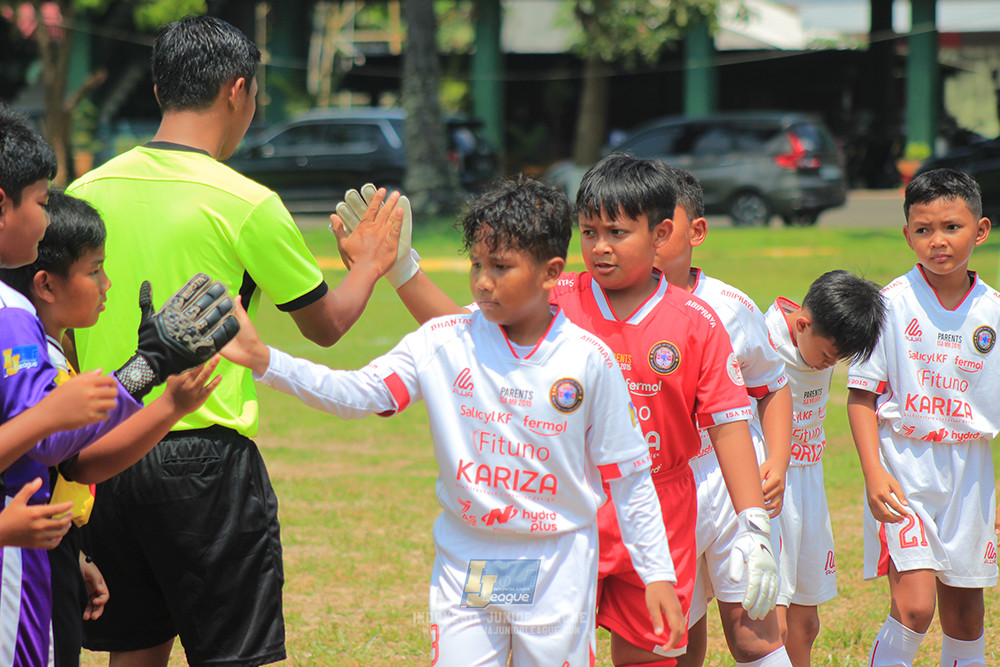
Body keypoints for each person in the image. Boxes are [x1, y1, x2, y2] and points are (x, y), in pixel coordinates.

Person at [333, 154, 781, 666]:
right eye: (588, 232)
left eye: (616, 232)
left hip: (657, 511)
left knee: (650, 657)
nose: (600, 247)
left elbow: (728, 424)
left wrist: (753, 526)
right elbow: (458, 333)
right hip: (551, 508)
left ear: (660, 235)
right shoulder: (554, 295)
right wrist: (404, 269)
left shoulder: (699, 322)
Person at [222, 176, 684, 666]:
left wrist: (656, 573)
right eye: (477, 265)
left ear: (550, 273)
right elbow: (357, 394)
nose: (483, 281)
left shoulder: (588, 359)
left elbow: (630, 478)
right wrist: (265, 360)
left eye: (501, 267)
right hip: (471, 558)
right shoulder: (442, 341)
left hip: (556, 563)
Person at [65, 15, 403, 667]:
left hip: (103, 453)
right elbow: (325, 324)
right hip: (205, 462)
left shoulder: (85, 191)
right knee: (236, 655)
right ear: (238, 90)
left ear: (162, 89)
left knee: (132, 653)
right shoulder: (244, 201)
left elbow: (69, 342)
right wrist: (368, 264)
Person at [0, 104, 234, 666]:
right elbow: (54, 445)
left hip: (38, 543)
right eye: (37, 200)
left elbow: (71, 467)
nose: (108, 284)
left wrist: (164, 395)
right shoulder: (11, 315)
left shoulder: (26, 322)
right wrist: (142, 369)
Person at [847, 168, 997, 667]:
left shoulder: (993, 312)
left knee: (966, 615)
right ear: (907, 233)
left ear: (980, 231)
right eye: (923, 229)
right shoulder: (889, 304)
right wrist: (874, 472)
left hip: (970, 472)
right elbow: (861, 396)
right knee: (914, 608)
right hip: (904, 467)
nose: (938, 241)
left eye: (952, 227)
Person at [653, 165, 793, 667]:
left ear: (697, 232)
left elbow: (772, 387)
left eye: (661, 222)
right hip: (663, 487)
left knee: (753, 634)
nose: (649, 235)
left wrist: (776, 461)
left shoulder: (731, 307)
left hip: (732, 481)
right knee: (676, 637)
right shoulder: (609, 308)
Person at [763, 270, 885, 667]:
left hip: (809, 480)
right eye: (829, 357)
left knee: (806, 621)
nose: (830, 365)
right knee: (772, 623)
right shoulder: (759, 341)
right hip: (769, 484)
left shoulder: (820, 333)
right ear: (801, 325)